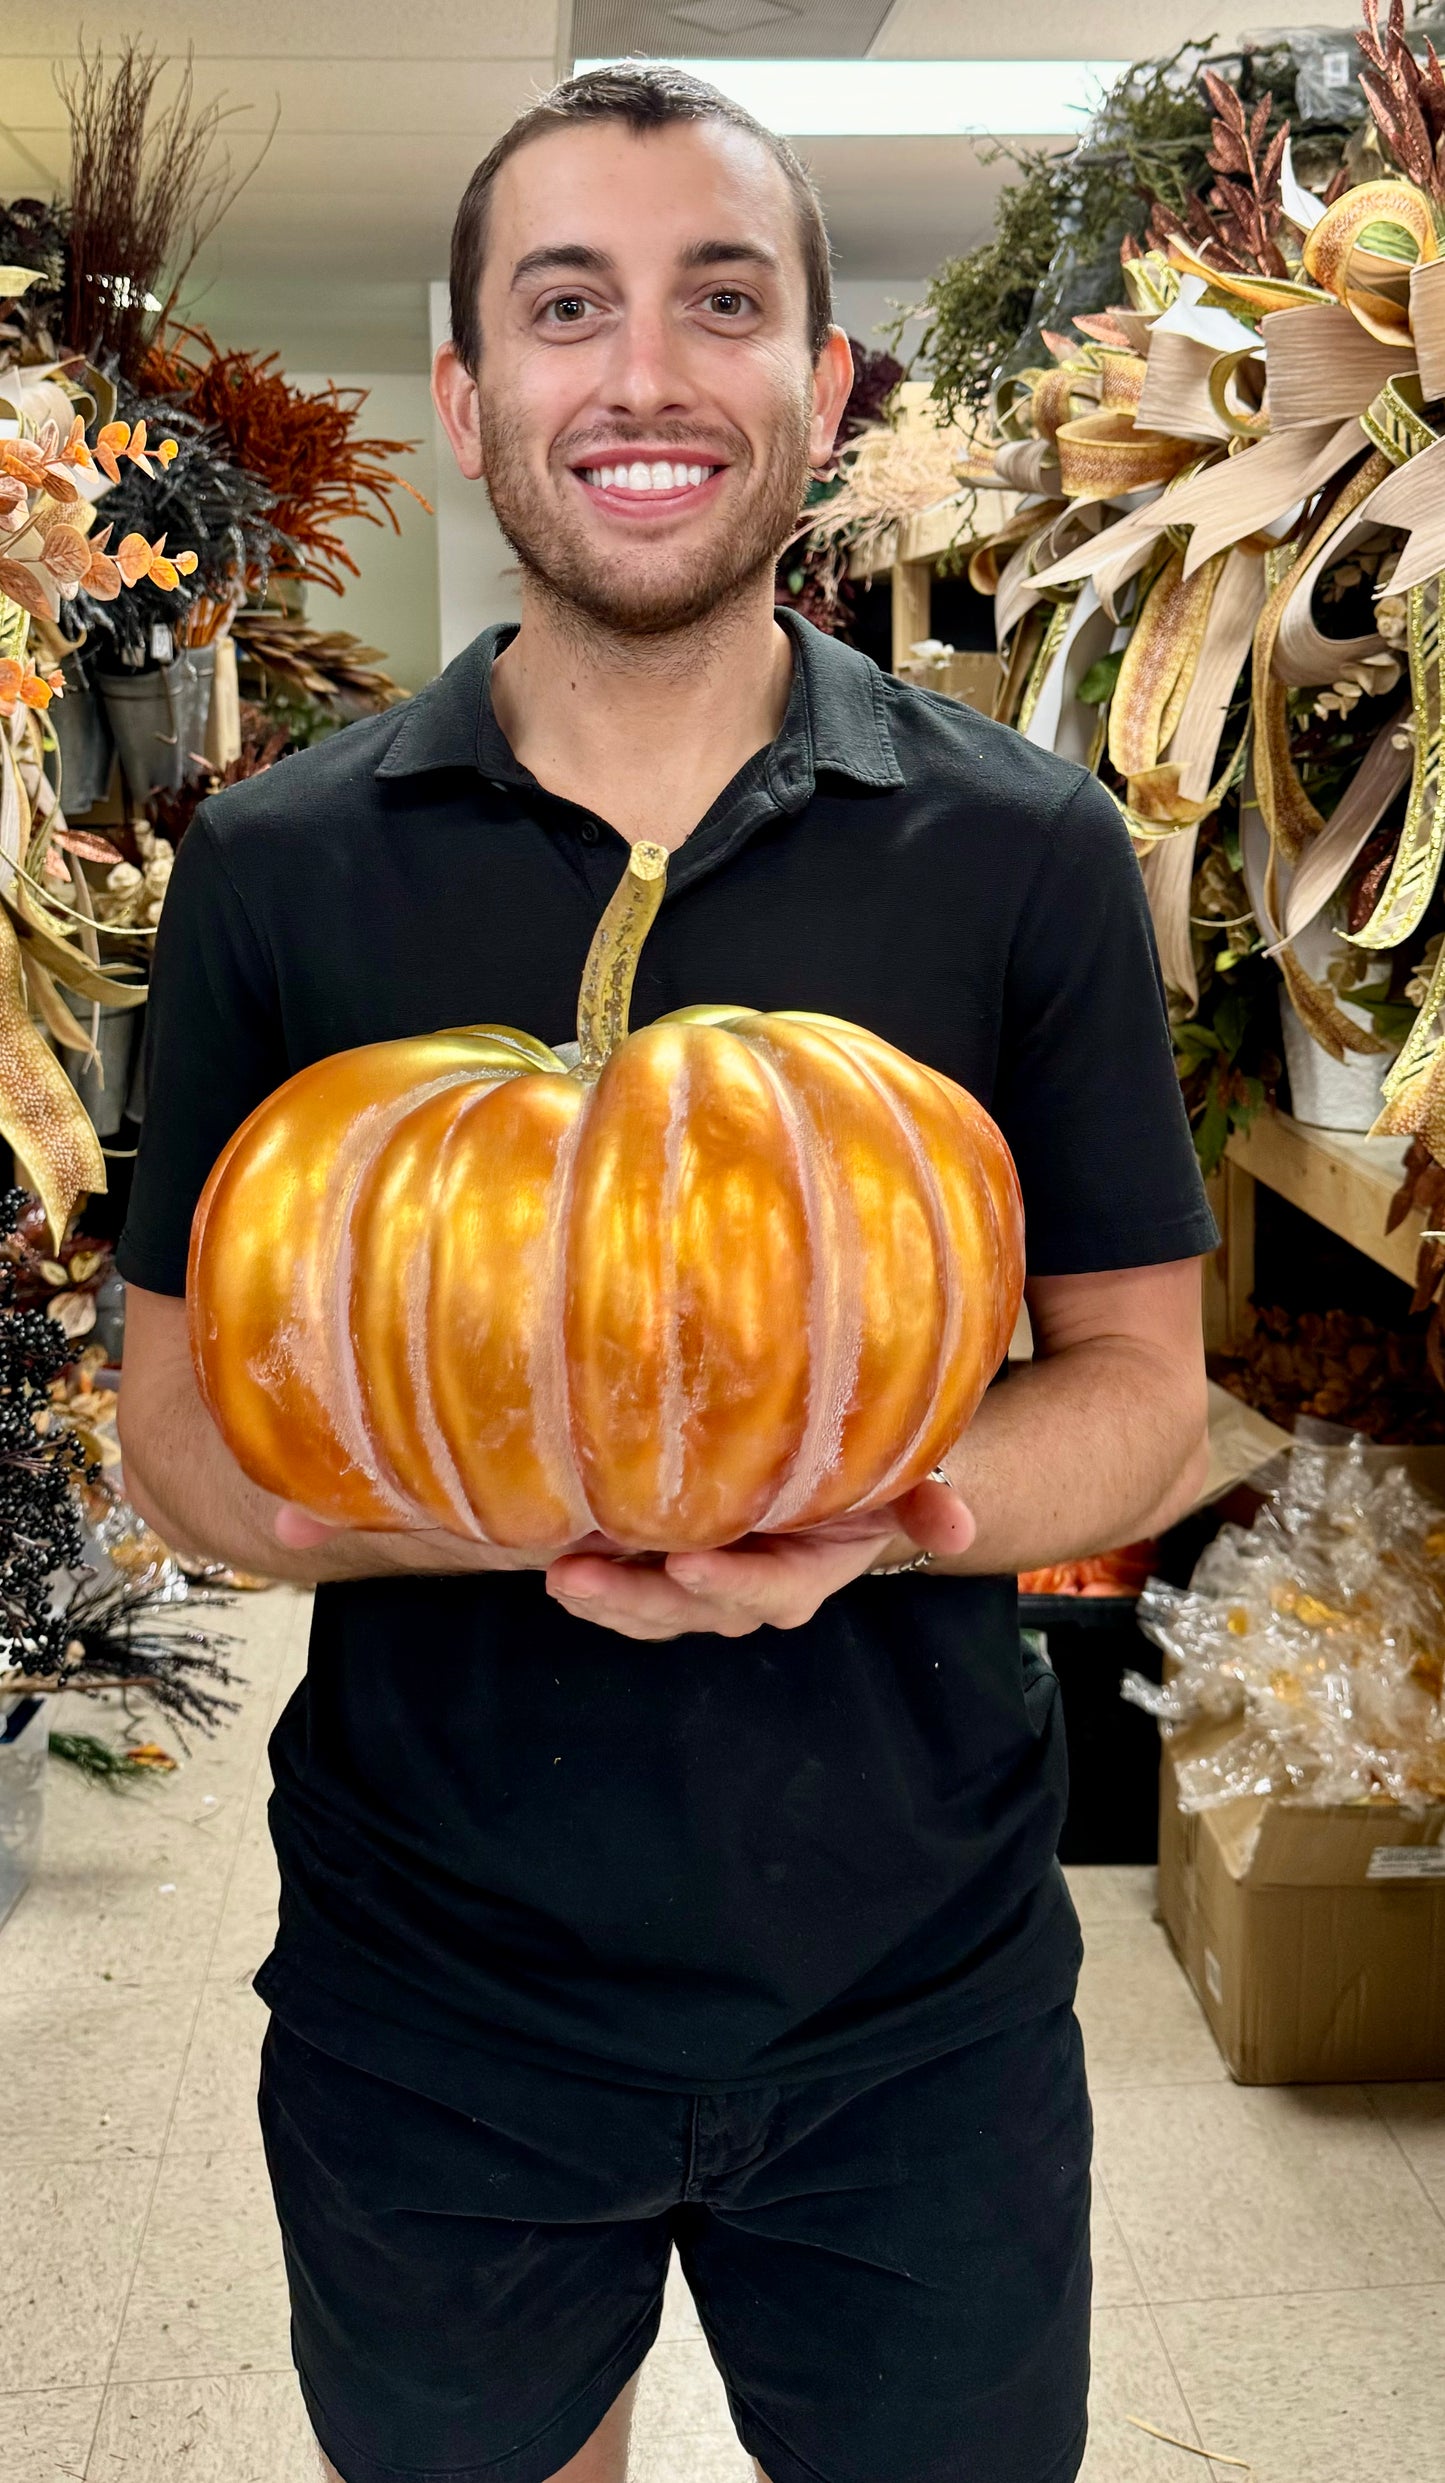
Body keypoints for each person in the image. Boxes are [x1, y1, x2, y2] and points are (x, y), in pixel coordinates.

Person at [116, 63, 1216, 2483]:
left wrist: (872, 1514)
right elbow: (178, 1429)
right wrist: (532, 1505)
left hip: (916, 1997)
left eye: (724, 302)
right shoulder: (282, 870)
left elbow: (1143, 1386)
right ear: (468, 394)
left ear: (822, 388)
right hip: (440, 1994)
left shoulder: (1025, 848)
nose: (642, 372)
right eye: (565, 305)